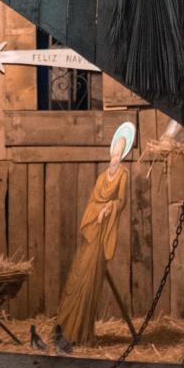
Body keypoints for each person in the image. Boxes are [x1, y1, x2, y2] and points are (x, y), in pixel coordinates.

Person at [55, 121, 135, 347]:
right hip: (91, 231)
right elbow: (92, 201)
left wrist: (108, 208)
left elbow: (121, 201)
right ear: (111, 152)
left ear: (123, 154)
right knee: (78, 275)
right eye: (114, 151)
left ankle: (81, 331)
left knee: (90, 280)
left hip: (102, 233)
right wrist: (97, 211)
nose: (116, 156)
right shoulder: (101, 178)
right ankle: (67, 329)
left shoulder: (123, 175)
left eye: (120, 152)